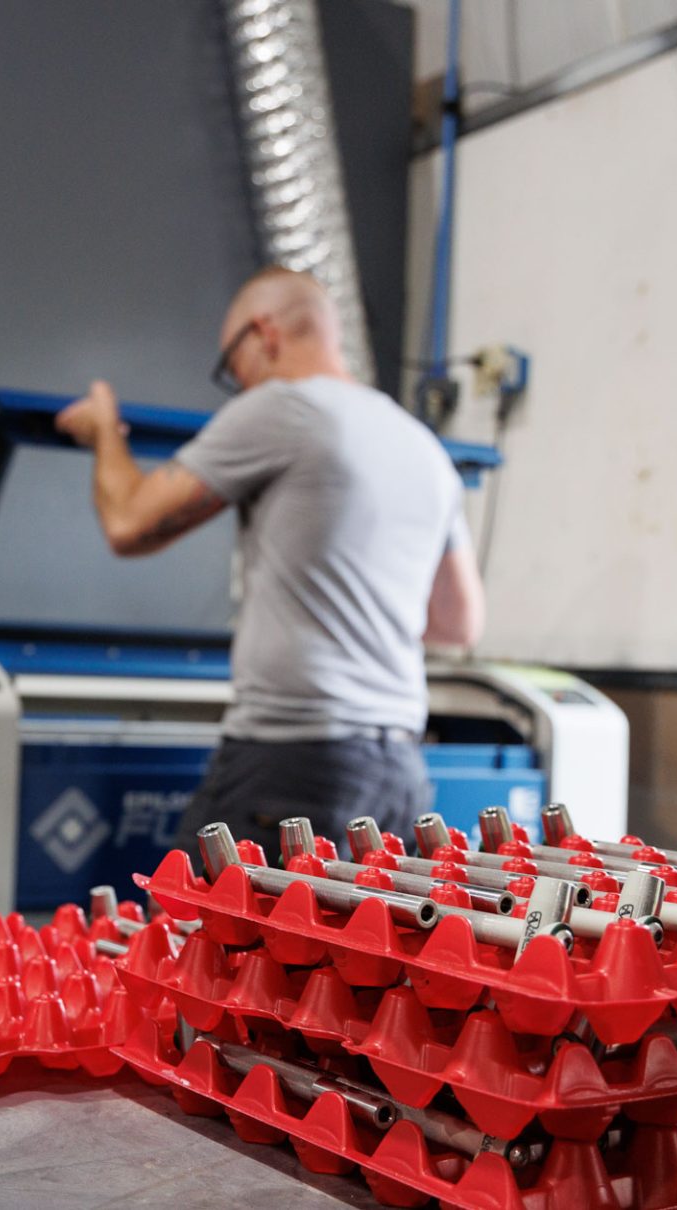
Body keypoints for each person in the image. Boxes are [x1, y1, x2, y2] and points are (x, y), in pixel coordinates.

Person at [54, 267, 485, 856]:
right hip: (398, 771)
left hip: (295, 760)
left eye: (233, 364)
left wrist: (104, 430)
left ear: (265, 333)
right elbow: (458, 623)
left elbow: (129, 524)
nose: (238, 383)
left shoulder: (284, 409)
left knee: (192, 933)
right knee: (355, 947)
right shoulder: (423, 447)